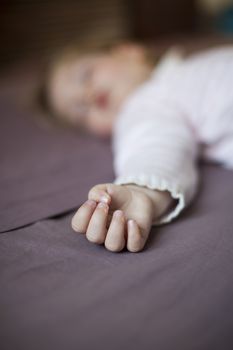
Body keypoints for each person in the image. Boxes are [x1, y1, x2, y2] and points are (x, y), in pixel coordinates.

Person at [44, 42, 233, 253]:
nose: (87, 96)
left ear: (129, 51)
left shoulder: (183, 69)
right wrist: (140, 191)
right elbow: (153, 142)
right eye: (80, 111)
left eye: (85, 75)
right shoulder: (143, 104)